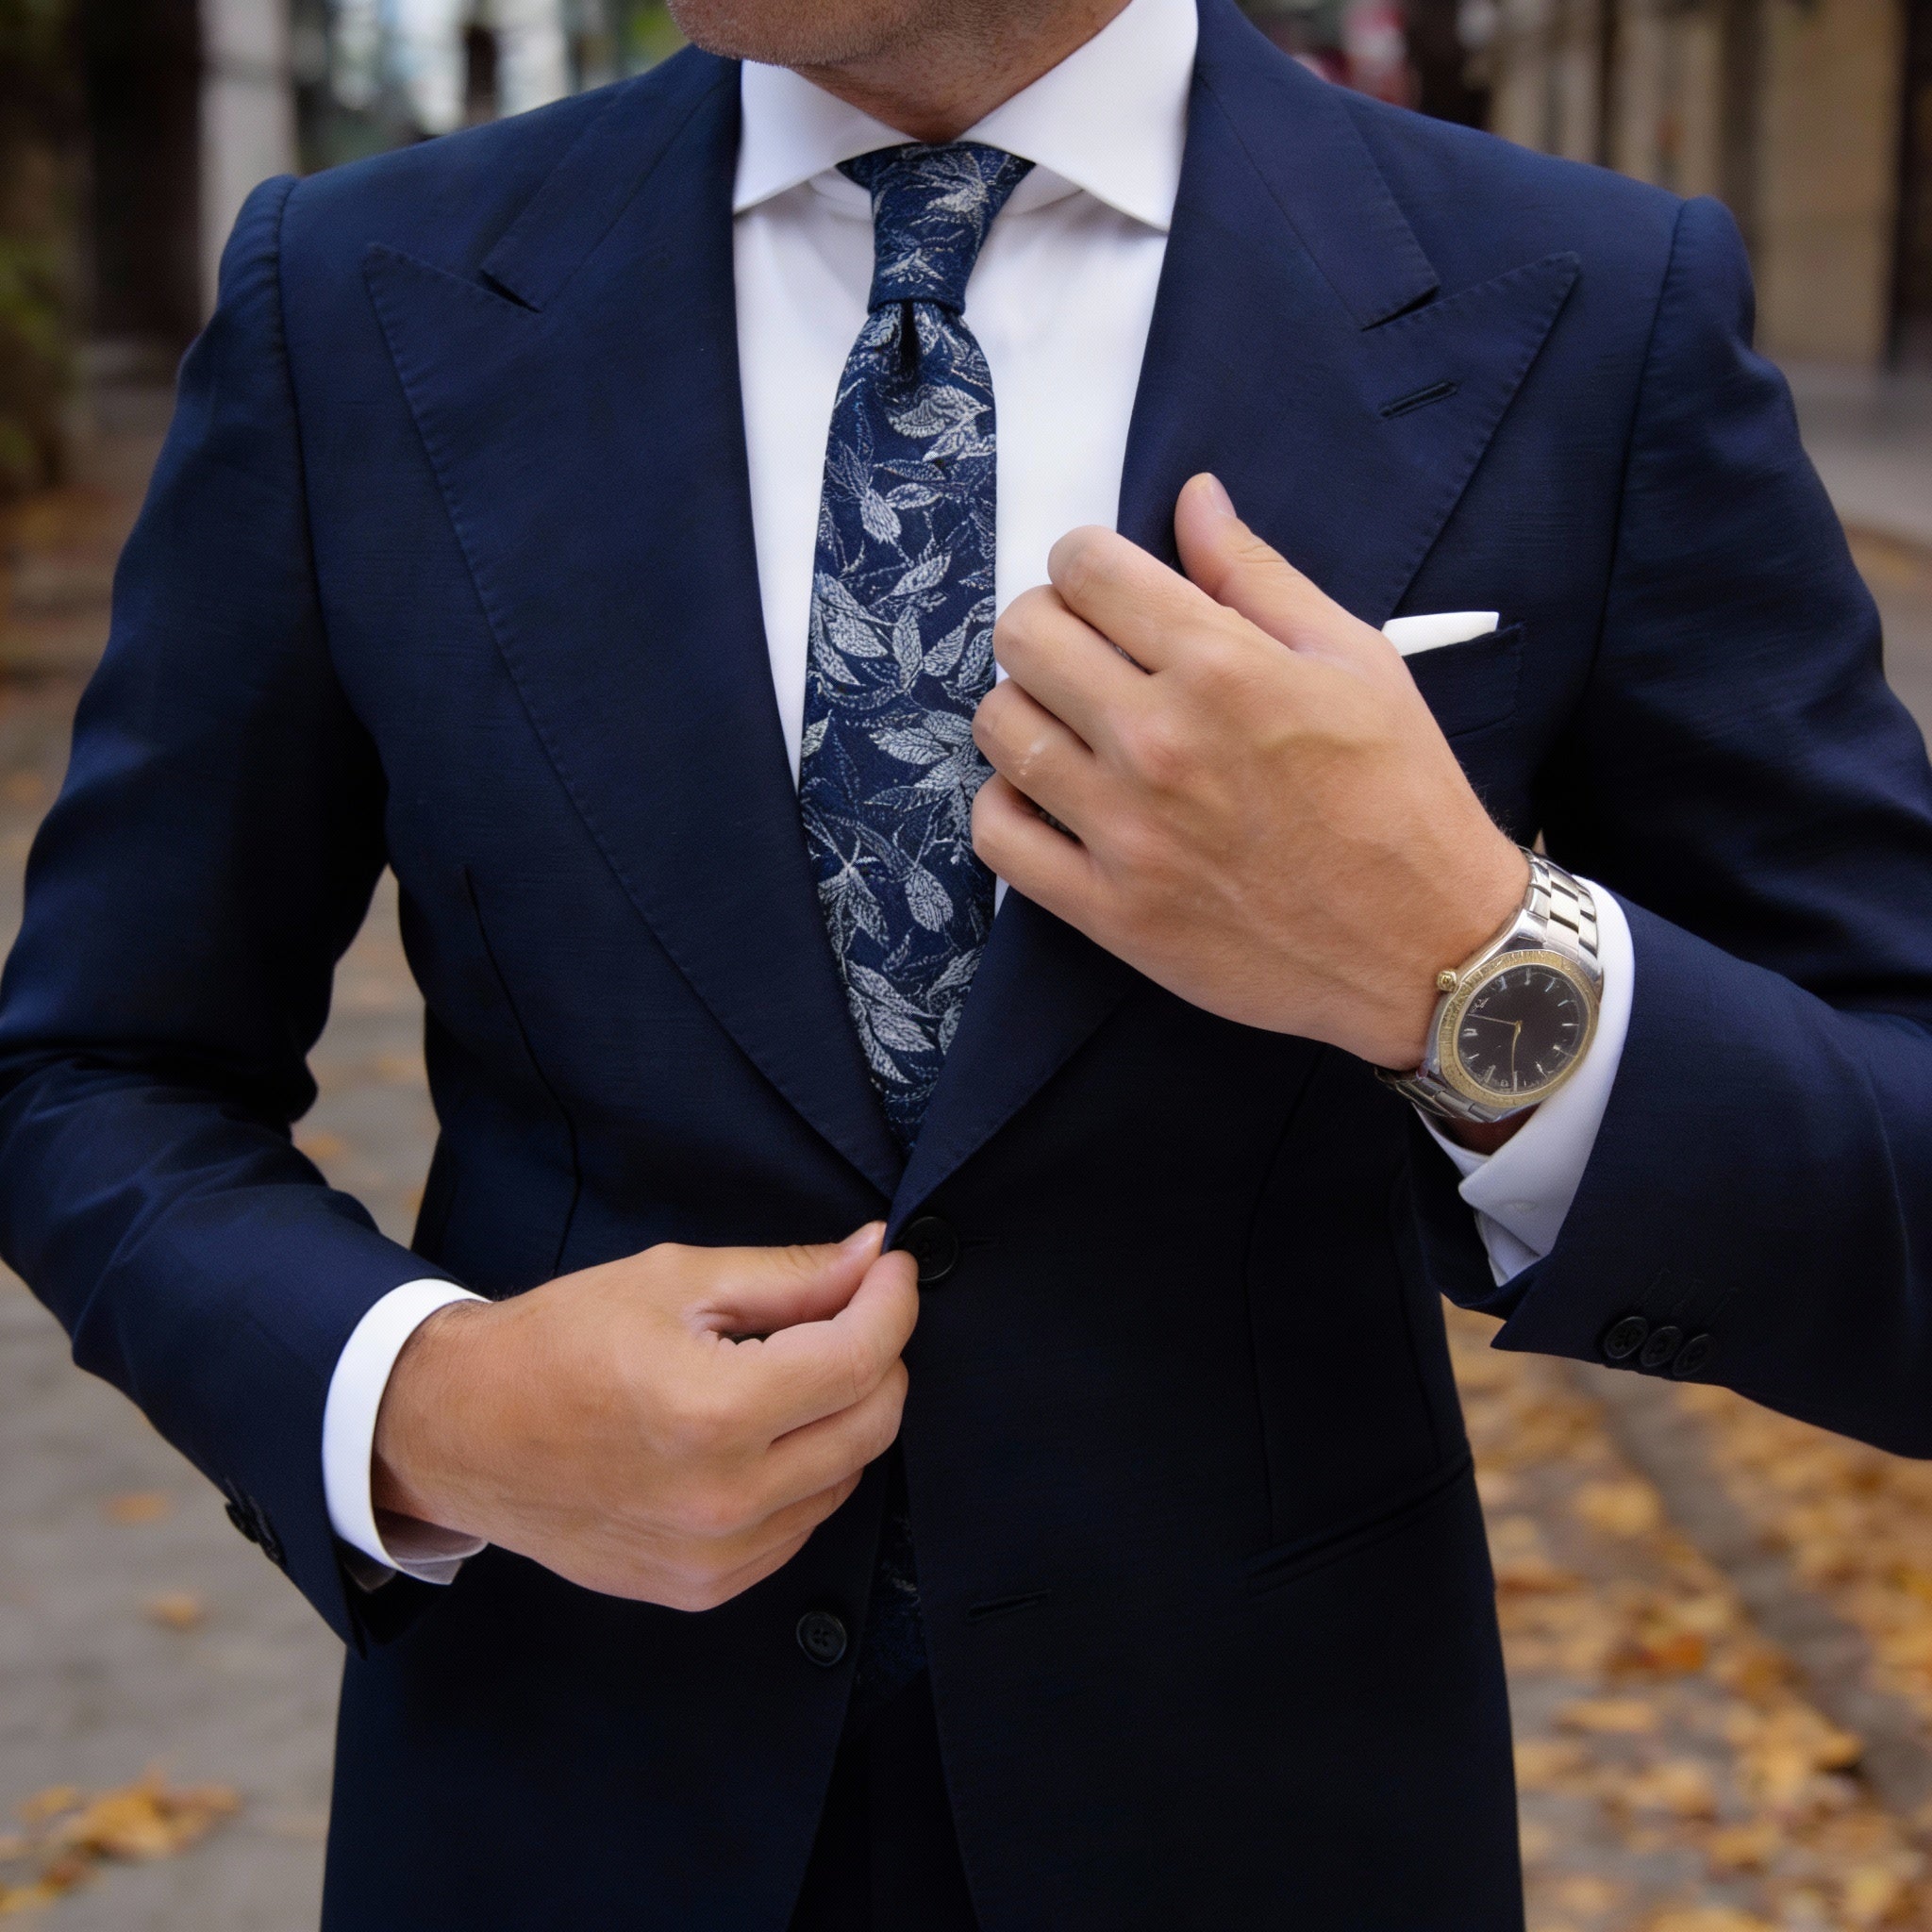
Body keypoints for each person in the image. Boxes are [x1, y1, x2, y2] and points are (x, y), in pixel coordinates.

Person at [3, 0, 1931, 1922]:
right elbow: (96, 1068)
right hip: (559, 1800)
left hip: (1267, 1825)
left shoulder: (1581, 301)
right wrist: (414, 1405)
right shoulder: (351, 292)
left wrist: (1466, 962)